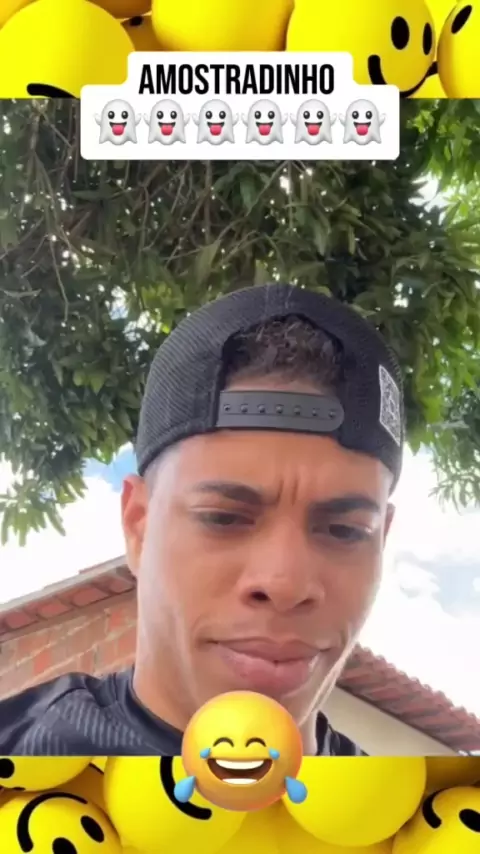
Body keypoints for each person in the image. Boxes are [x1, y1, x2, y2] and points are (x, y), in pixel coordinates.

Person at [0, 282, 404, 757]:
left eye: (345, 531)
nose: (284, 584)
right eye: (224, 518)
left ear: (381, 542)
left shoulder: (419, 804)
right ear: (138, 525)